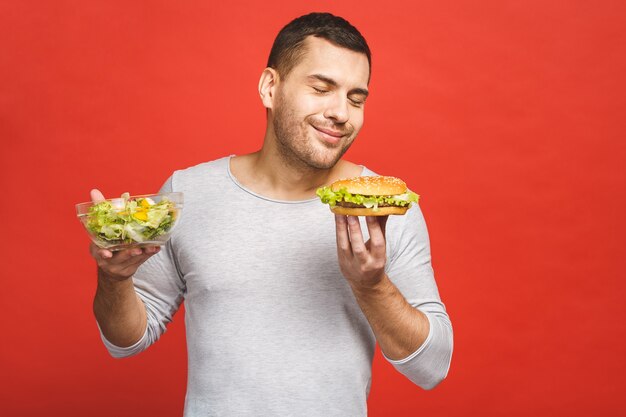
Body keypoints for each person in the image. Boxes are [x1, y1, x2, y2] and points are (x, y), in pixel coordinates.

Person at [89, 12, 453, 416]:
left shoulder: (386, 208)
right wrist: (114, 279)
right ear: (270, 88)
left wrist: (371, 286)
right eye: (321, 88)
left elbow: (432, 367)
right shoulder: (187, 192)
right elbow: (125, 340)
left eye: (355, 98)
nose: (341, 114)